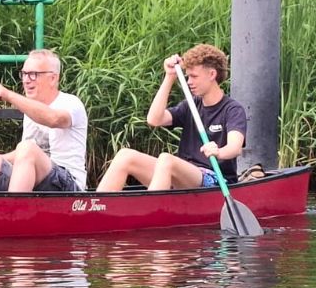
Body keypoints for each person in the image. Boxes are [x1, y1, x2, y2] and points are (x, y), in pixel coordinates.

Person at [95, 43, 247, 192]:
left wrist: (218, 152)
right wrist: (169, 77)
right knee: (125, 156)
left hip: (216, 180)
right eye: (187, 76)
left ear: (212, 74)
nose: (189, 82)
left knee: (166, 160)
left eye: (194, 76)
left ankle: (151, 213)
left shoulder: (232, 109)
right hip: (179, 176)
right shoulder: (190, 105)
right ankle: (98, 211)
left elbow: (235, 148)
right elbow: (154, 119)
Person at [0, 48, 88, 193]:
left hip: (68, 187)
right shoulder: (30, 109)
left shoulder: (71, 103)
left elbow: (54, 119)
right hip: (30, 179)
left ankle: (14, 212)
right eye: (24, 74)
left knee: (26, 148)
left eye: (33, 74)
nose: (26, 80)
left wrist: (7, 94)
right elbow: (23, 156)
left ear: (53, 78)